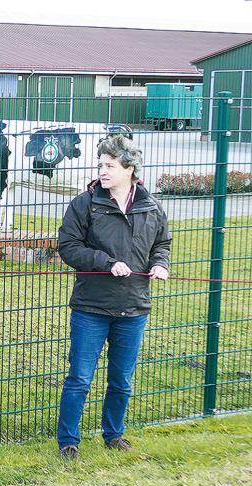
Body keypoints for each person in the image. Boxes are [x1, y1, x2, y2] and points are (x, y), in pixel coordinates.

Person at [56, 136, 171, 460]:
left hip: (134, 308)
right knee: (79, 378)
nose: (102, 171)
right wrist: (107, 263)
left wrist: (159, 264)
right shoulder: (86, 203)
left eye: (109, 165)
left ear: (129, 169)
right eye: (101, 165)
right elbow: (69, 247)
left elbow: (162, 243)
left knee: (121, 380)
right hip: (91, 307)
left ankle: (113, 434)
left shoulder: (151, 206)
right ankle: (68, 442)